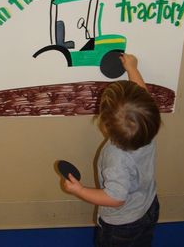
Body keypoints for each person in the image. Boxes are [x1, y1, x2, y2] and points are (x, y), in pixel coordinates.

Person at [61, 53, 161, 247]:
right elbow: (143, 96)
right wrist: (132, 68)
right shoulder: (148, 124)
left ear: (105, 127)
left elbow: (115, 198)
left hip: (122, 226)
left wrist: (80, 190)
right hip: (148, 205)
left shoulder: (117, 158)